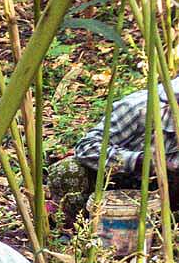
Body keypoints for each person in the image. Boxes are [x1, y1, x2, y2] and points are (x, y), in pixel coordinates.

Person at [48, 78, 178, 228]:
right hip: (108, 180)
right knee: (68, 171)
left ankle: (159, 227)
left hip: (158, 191)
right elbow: (87, 148)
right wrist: (138, 161)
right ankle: (80, 226)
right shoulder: (139, 108)